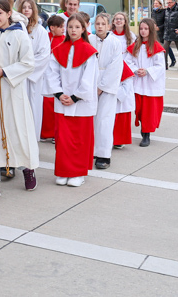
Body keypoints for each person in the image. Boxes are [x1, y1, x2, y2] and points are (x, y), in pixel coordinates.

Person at [0, 0, 39, 200]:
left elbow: (28, 63)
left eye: (0, 13)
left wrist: (5, 72)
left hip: (14, 91)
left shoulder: (20, 35)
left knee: (18, 131)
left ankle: (27, 169)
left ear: (9, 13)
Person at [46, 12, 98, 187]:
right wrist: (59, 94)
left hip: (81, 103)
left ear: (83, 29)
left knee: (80, 139)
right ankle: (63, 171)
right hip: (62, 101)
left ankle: (78, 173)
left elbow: (89, 79)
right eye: (70, 27)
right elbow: (51, 74)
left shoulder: (90, 52)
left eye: (77, 27)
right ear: (66, 29)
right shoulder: (58, 50)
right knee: (64, 139)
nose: (73, 30)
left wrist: (75, 97)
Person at [14, 0, 52, 143]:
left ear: (34, 10)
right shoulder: (17, 28)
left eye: (29, 7)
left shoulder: (40, 31)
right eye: (24, 7)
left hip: (33, 77)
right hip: (19, 76)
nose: (26, 10)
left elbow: (44, 55)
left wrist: (27, 68)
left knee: (33, 107)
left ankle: (32, 140)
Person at [89, 13, 124, 170]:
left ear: (109, 26)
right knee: (91, 119)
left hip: (108, 86)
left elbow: (115, 67)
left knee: (105, 119)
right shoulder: (89, 40)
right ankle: (92, 150)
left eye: (103, 24)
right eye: (97, 24)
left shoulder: (115, 43)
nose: (100, 26)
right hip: (90, 81)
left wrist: (101, 87)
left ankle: (103, 155)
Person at [128, 18, 166, 147]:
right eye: (141, 29)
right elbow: (128, 61)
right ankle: (143, 128)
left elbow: (160, 66)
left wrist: (147, 71)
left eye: (146, 29)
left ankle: (146, 134)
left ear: (151, 30)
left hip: (150, 84)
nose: (143, 31)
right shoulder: (136, 46)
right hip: (138, 82)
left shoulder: (156, 47)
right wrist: (135, 69)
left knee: (148, 111)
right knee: (139, 109)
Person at [110, 12, 136, 151]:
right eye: (116, 19)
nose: (119, 21)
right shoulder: (109, 36)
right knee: (111, 107)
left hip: (126, 71)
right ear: (113, 22)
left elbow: (134, 54)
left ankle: (120, 139)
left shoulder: (131, 37)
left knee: (123, 105)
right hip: (112, 71)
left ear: (125, 21)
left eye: (121, 19)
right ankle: (110, 137)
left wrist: (126, 66)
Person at [39, 14, 66, 141]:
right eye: (60, 27)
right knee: (46, 106)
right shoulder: (46, 38)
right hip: (44, 74)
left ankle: (56, 133)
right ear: (52, 28)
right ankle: (45, 132)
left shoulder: (65, 40)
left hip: (59, 75)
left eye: (63, 27)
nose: (63, 29)